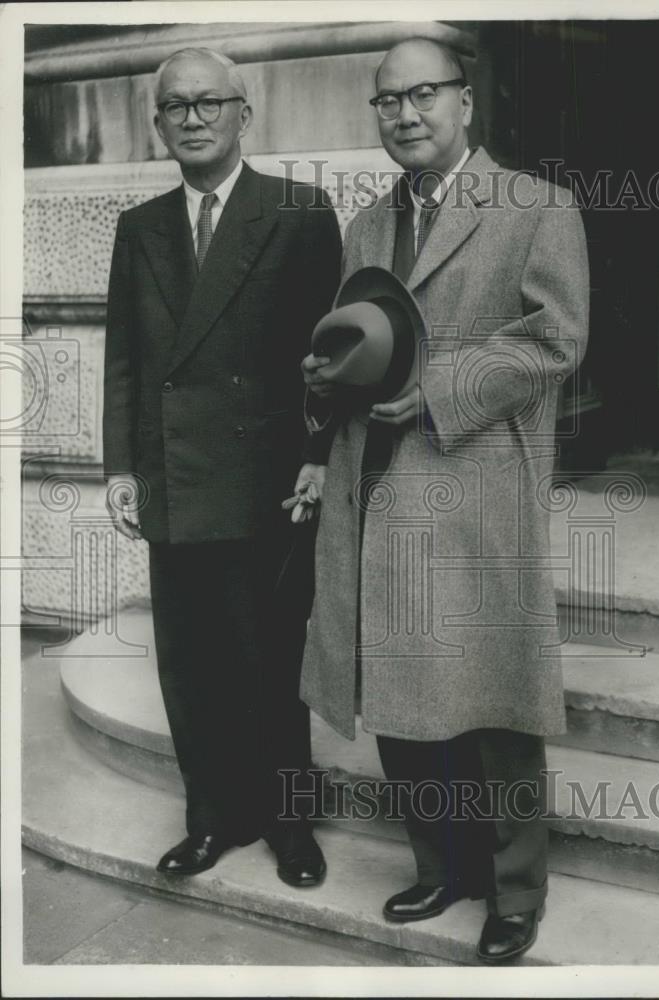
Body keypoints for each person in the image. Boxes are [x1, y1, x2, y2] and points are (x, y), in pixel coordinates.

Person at [300, 37, 589, 962]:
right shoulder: (365, 226)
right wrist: (324, 376)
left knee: (491, 708)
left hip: (471, 485)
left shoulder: (535, 206)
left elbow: (555, 339)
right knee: (396, 692)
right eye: (386, 101)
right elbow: (359, 343)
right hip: (374, 483)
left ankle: (513, 890)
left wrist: (438, 386)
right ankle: (440, 864)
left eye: (423, 95)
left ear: (468, 103)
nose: (405, 114)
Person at [103, 47, 342, 884]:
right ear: (158, 124)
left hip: (267, 483)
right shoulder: (140, 228)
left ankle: (289, 823)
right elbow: (127, 359)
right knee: (190, 662)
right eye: (176, 107)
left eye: (210, 103)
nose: (194, 118)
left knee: (271, 659)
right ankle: (209, 816)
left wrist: (318, 457)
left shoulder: (300, 212)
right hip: (172, 479)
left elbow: (332, 356)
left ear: (246, 113)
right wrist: (120, 468)